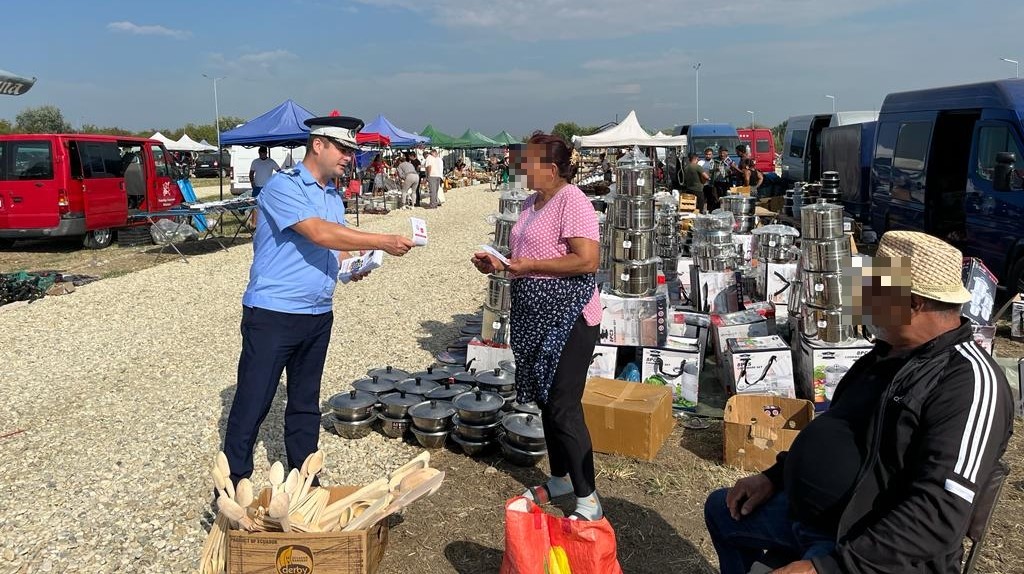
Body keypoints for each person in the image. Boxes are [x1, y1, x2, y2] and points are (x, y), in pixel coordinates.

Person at [704, 230, 1013, 574]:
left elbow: (938, 514)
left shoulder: (968, 381)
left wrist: (827, 567)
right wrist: (774, 477)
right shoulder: (886, 354)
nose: (866, 303)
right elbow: (839, 427)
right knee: (721, 509)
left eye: (876, 292)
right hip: (812, 518)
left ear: (913, 303)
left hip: (863, 545)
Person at [223, 116, 416, 484]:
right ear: (318, 145)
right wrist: (382, 240)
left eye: (352, 151)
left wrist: (351, 264)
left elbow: (333, 247)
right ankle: (232, 486)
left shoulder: (330, 195)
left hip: (317, 313)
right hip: (274, 312)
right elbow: (318, 232)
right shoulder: (283, 186)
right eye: (343, 149)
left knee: (305, 403)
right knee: (253, 402)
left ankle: (305, 481)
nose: (349, 157)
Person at [471, 132, 604, 521]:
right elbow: (527, 254)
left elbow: (587, 260)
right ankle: (560, 478)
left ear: (551, 168)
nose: (522, 167)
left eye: (528, 161)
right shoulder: (532, 203)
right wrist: (501, 263)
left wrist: (528, 266)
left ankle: (588, 499)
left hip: (569, 316)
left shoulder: (572, 200)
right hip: (534, 315)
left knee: (563, 404)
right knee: (546, 399)